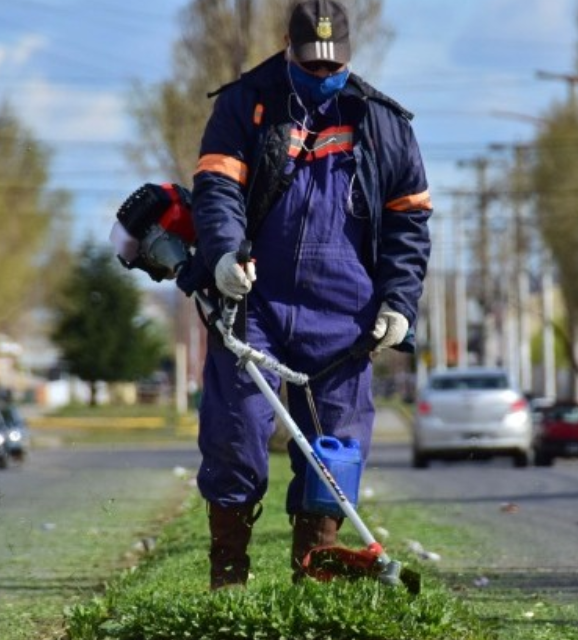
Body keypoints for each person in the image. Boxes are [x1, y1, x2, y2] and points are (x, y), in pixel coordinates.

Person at [190, 0, 432, 590]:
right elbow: (217, 190)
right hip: (253, 307)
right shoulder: (245, 103)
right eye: (311, 64)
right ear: (288, 48)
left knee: (335, 457)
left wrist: (398, 303)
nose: (323, 76)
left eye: (334, 66)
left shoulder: (383, 123)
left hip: (346, 320)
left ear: (350, 58)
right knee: (236, 438)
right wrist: (223, 256)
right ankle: (229, 579)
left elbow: (409, 223)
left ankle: (312, 584)